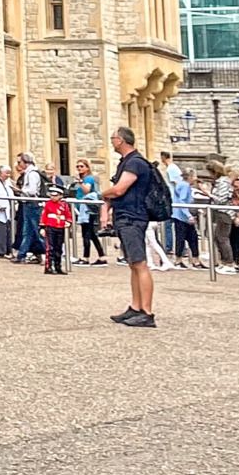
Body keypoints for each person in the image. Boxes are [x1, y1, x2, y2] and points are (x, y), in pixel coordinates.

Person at [97, 125, 162, 329]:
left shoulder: (135, 163)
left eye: (113, 138)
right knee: (133, 263)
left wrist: (102, 194)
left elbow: (119, 189)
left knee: (140, 263)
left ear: (122, 140)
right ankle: (136, 306)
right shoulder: (125, 162)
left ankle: (147, 312)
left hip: (134, 217)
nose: (111, 141)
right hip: (125, 216)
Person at [13, 153, 44, 264]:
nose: (18, 165)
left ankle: (47, 252)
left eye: (20, 162)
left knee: (34, 230)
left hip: (32, 204)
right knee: (29, 231)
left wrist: (20, 191)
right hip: (29, 204)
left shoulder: (32, 174)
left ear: (26, 162)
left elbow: (32, 190)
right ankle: (22, 254)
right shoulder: (29, 173)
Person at [168, 159, 200, 265]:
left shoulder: (182, 185)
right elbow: (182, 200)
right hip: (182, 216)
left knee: (185, 238)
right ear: (190, 176)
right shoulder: (185, 186)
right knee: (187, 238)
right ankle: (183, 259)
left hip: (180, 215)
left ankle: (187, 259)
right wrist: (189, 215)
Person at [74, 164, 106, 263]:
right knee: (91, 234)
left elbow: (87, 191)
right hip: (84, 208)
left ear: (87, 168)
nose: (79, 168)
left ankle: (85, 257)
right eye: (78, 166)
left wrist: (80, 182)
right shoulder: (85, 179)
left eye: (82, 166)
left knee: (86, 234)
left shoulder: (88, 179)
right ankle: (102, 256)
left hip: (87, 209)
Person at [40, 182, 71, 275]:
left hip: (60, 227)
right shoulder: (48, 204)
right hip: (50, 227)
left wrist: (68, 222)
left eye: (56, 195)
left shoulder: (64, 205)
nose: (53, 197)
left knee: (59, 248)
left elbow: (68, 215)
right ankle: (48, 266)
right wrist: (42, 227)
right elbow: (44, 216)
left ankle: (58, 266)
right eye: (52, 195)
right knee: (50, 248)